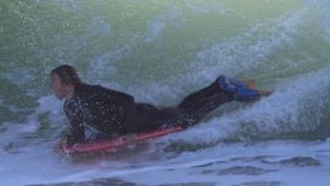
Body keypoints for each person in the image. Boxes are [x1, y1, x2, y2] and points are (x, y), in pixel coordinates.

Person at [51, 64, 272, 146]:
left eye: (54, 82)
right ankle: (217, 85)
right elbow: (79, 133)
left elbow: (126, 99)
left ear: (66, 83)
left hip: (143, 118)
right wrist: (68, 140)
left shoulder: (91, 93)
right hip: (141, 120)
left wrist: (129, 133)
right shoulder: (71, 106)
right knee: (181, 110)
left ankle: (228, 94)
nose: (52, 87)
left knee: (186, 119)